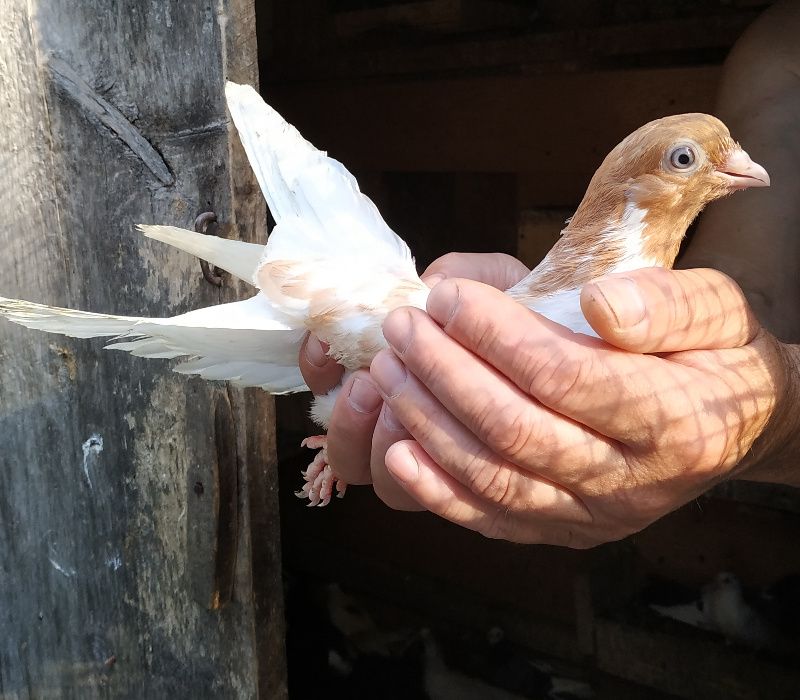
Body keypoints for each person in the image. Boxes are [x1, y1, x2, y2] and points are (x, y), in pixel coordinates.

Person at [298, 0, 800, 547]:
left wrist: (775, 413)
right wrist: (727, 365)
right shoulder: (780, 46)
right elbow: (757, 288)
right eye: (686, 160)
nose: (747, 166)